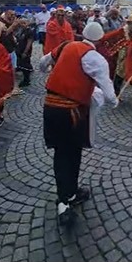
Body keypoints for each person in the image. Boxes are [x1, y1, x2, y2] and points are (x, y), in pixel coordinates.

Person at [37, 21, 117, 224]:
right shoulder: (96, 58)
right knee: (68, 153)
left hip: (50, 107)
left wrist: (49, 70)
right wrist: (115, 100)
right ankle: (63, 202)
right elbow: (108, 91)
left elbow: (42, 63)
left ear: (83, 35)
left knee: (67, 152)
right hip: (70, 112)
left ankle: (71, 192)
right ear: (99, 40)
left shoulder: (66, 45)